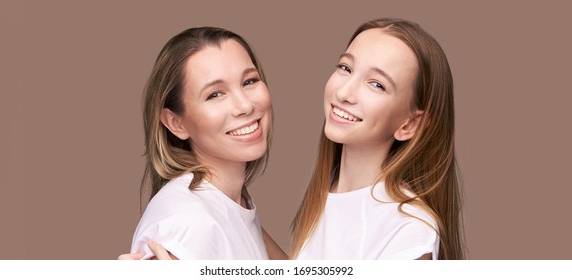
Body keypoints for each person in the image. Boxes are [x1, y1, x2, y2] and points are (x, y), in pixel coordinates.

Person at [290, 18, 464, 260]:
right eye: (345, 68)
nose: (343, 93)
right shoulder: (329, 192)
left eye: (376, 84)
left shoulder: (408, 230)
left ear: (410, 124)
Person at [125, 26, 284, 260]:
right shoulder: (190, 224)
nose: (245, 106)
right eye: (215, 94)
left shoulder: (228, 206)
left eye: (249, 81)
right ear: (175, 123)